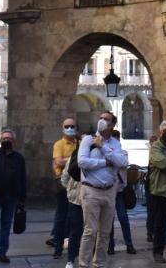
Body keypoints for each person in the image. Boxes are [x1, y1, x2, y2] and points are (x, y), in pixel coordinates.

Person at [77, 111, 128, 268]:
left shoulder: (115, 143)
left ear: (112, 125)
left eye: (106, 119)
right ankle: (84, 264)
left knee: (105, 232)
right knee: (90, 231)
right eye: (101, 118)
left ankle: (99, 263)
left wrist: (104, 148)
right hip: (91, 190)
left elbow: (122, 161)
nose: (102, 121)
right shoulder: (88, 139)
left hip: (109, 190)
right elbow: (82, 162)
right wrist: (105, 163)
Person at [0, 129, 27, 265]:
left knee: (6, 226)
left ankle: (2, 252)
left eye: (9, 138)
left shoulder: (19, 158)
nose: (6, 140)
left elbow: (22, 178)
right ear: (0, 140)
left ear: (13, 141)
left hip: (11, 197)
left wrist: (22, 198)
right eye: (4, 138)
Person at [148, 120, 166, 263]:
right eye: (165, 130)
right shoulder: (155, 147)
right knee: (160, 223)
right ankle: (158, 252)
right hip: (161, 191)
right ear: (160, 131)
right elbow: (162, 163)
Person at [51, 117, 79, 259]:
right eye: (67, 126)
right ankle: (57, 247)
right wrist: (75, 159)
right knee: (61, 216)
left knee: (74, 217)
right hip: (62, 184)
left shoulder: (78, 143)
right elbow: (59, 162)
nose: (70, 128)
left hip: (76, 185)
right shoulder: (59, 144)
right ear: (63, 128)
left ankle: (73, 246)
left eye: (72, 126)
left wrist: (68, 160)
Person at [108, 130, 137, 255]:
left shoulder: (123, 153)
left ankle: (129, 244)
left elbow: (122, 162)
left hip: (119, 191)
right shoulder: (106, 153)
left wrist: (112, 158)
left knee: (123, 218)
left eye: (117, 139)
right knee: (108, 220)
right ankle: (110, 246)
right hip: (108, 191)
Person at [60, 138, 85, 268]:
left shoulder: (74, 157)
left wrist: (70, 191)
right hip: (80, 199)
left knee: (76, 230)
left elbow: (64, 178)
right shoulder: (74, 158)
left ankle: (71, 260)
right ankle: (74, 259)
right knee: (83, 231)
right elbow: (64, 177)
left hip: (76, 199)